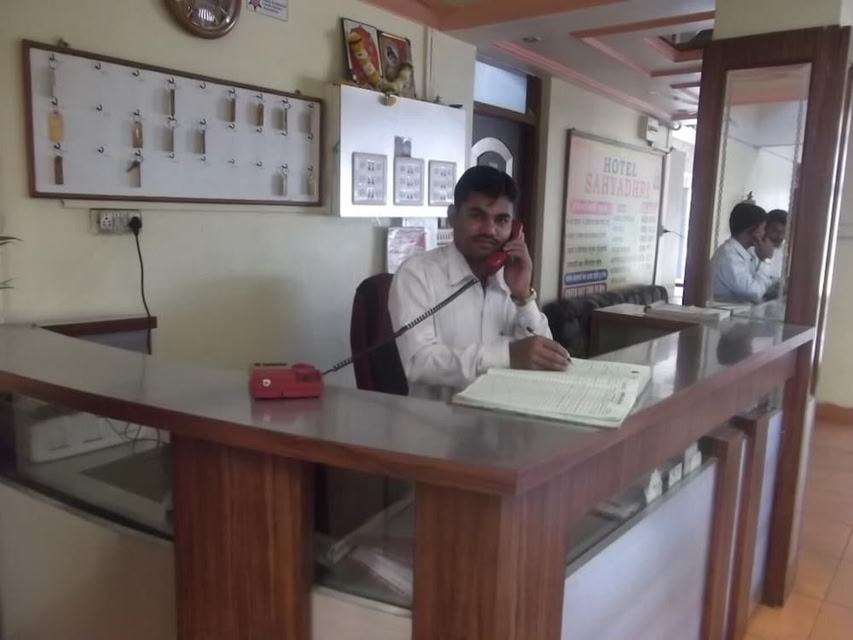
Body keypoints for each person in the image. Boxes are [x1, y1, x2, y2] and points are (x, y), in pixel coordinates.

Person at [388, 166, 569, 394]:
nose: (489, 230)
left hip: (506, 411)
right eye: (477, 216)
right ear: (453, 216)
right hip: (442, 415)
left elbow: (546, 360)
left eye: (501, 220)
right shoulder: (417, 274)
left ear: (514, 228)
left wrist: (523, 296)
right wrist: (507, 355)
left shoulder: (509, 277)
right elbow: (419, 362)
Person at [710, 201, 779, 304]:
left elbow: (760, 284)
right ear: (753, 231)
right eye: (763, 229)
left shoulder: (747, 252)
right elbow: (754, 293)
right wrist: (766, 260)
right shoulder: (729, 257)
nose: (764, 233)